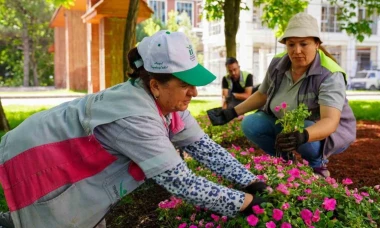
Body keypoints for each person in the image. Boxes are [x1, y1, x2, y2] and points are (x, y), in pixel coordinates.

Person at [0, 31, 268, 228]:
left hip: (57, 148)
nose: (195, 92)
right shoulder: (135, 117)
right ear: (155, 85)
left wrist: (249, 180)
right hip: (39, 155)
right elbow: (181, 183)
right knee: (54, 216)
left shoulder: (167, 103)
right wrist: (245, 203)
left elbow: (203, 147)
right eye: (186, 83)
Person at [208, 13, 356, 178]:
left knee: (304, 127)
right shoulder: (278, 63)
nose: (296, 51)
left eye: (303, 44)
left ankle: (317, 165)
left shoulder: (330, 74)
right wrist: (232, 112)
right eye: (291, 44)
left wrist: (303, 136)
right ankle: (285, 162)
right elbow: (262, 94)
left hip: (322, 132)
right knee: (251, 123)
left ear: (316, 44)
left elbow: (330, 121)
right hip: (288, 125)